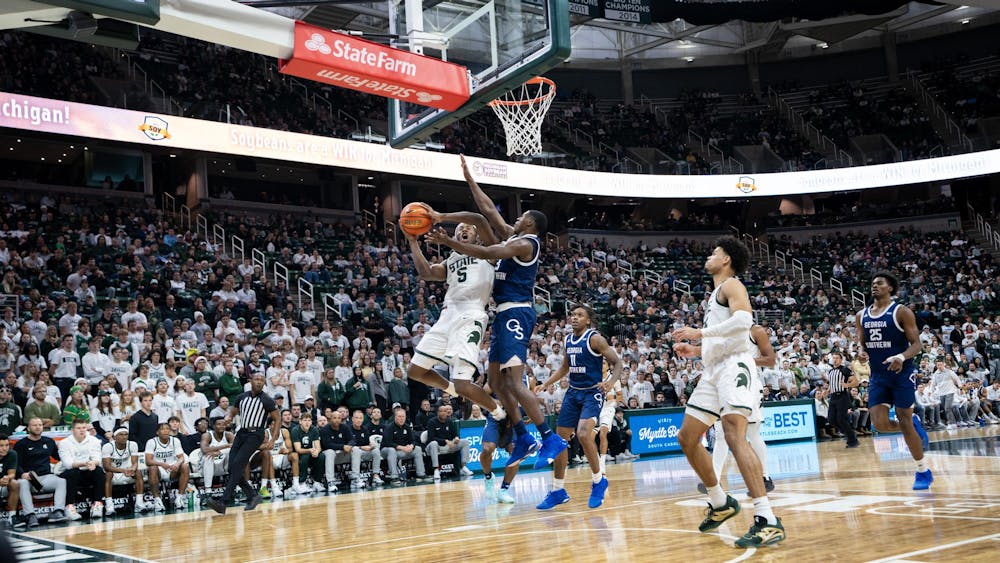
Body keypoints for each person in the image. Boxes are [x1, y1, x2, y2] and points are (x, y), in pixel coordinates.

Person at [425, 155, 566, 469]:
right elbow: (486, 212)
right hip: (501, 314)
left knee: (514, 383)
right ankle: (522, 435)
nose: (512, 220)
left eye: (519, 217)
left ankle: (548, 436)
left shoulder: (525, 243)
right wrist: (469, 178)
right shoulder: (515, 235)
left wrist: (450, 241)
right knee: (496, 382)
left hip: (516, 312)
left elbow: (489, 251)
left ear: (528, 222)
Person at [672, 236, 785, 548]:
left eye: (714, 251)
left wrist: (701, 332)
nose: (710, 255)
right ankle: (720, 502)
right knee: (687, 437)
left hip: (735, 367)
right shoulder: (714, 295)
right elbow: (726, 337)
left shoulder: (731, 285)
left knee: (735, 435)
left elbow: (744, 321)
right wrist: (695, 349)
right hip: (714, 369)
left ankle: (767, 520)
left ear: (726, 260)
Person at [404, 219, 506, 421]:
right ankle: (454, 391)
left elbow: (482, 221)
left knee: (464, 383)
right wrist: (413, 241)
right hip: (447, 316)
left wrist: (448, 237)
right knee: (415, 371)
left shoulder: (488, 254)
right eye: (460, 228)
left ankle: (499, 414)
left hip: (471, 315)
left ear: (478, 237)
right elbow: (426, 273)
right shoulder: (450, 260)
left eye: (469, 227)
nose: (464, 229)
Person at [536, 305, 622, 510]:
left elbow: (617, 363)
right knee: (559, 441)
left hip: (592, 393)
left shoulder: (595, 339)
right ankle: (557, 491)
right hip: (573, 393)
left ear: (588, 320)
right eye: (572, 315)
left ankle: (598, 481)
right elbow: (565, 367)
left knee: (584, 435)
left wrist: (610, 383)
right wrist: (546, 383)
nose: (574, 318)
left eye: (579, 315)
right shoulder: (567, 340)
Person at [858, 271, 932, 490]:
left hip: (902, 373)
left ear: (890, 288)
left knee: (904, 418)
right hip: (878, 375)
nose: (874, 286)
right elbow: (862, 344)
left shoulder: (901, 312)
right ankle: (913, 426)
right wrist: (861, 353)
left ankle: (922, 471)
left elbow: (917, 345)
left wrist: (901, 357)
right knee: (879, 424)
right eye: (872, 283)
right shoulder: (861, 315)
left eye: (879, 283)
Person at [697, 324, 777, 493]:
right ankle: (714, 480)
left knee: (753, 433)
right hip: (724, 385)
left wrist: (743, 361)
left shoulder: (755, 331)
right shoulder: (721, 333)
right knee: (721, 435)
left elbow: (770, 360)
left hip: (747, 385)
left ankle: (765, 477)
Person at [206, 372, 280, 515]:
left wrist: (273, 439)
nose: (259, 382)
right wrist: (228, 417)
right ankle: (253, 496)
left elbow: (278, 419)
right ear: (250, 381)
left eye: (261, 380)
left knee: (239, 464)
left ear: (264, 383)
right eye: (256, 379)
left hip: (256, 434)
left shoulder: (267, 400)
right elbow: (232, 413)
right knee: (232, 467)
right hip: (241, 433)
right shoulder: (241, 397)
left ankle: (223, 502)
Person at [14, 418, 68, 527]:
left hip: (46, 477)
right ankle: (30, 515)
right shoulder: (21, 444)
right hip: (29, 479)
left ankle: (58, 512)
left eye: (40, 425)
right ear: (28, 428)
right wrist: (22, 474)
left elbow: (59, 457)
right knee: (22, 483)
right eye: (34, 425)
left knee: (61, 481)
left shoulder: (49, 441)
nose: (38, 427)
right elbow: (15, 464)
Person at [58, 419, 106, 519]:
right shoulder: (64, 443)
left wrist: (94, 463)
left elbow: (98, 459)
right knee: (73, 472)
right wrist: (85, 463)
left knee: (99, 471)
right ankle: (69, 507)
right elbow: (68, 464)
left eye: (84, 428)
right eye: (78, 428)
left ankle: (97, 504)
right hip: (69, 473)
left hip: (88, 471)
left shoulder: (94, 440)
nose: (82, 430)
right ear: (72, 430)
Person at [145, 422, 191, 512]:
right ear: (157, 432)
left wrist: (177, 464)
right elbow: (148, 461)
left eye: (167, 429)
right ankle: (157, 500)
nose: (166, 431)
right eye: (162, 429)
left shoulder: (175, 441)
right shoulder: (151, 442)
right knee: (152, 468)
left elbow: (181, 457)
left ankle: (179, 497)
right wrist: (162, 464)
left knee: (184, 466)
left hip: (172, 469)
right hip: (159, 469)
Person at [102, 427, 148, 515]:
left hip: (127, 472)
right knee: (108, 474)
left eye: (126, 434)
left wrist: (132, 469)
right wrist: (123, 470)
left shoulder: (133, 444)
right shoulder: (108, 447)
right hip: (114, 473)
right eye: (121, 435)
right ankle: (109, 506)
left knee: (138, 472)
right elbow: (107, 466)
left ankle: (139, 503)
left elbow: (135, 463)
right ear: (115, 437)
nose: (124, 437)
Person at [425, 404, 474, 481]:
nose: (444, 413)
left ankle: (463, 467)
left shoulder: (449, 421)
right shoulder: (431, 422)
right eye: (441, 411)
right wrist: (445, 441)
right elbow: (431, 438)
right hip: (435, 447)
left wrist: (456, 438)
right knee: (433, 443)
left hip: (448, 446)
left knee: (465, 442)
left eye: (445, 411)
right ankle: (436, 470)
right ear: (438, 412)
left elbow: (455, 434)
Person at [383, 407, 429, 482]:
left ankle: (421, 474)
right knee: (391, 450)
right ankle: (394, 477)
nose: (401, 419)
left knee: (417, 449)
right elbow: (388, 443)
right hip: (386, 451)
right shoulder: (389, 427)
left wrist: (411, 446)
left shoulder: (407, 427)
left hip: (402, 451)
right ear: (395, 417)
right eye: (399, 416)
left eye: (403, 416)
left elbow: (413, 440)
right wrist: (402, 448)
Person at [826, 351, 860, 448]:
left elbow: (856, 382)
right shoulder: (830, 371)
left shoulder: (844, 370)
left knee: (841, 419)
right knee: (831, 419)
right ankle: (850, 434)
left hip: (842, 396)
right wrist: (827, 391)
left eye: (837, 358)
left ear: (841, 360)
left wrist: (847, 385)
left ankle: (852, 440)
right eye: (834, 358)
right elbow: (832, 383)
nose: (835, 359)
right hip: (833, 397)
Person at [348, 410, 384, 488]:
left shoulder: (364, 429)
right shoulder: (348, 429)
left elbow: (367, 443)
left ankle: (375, 475)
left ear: (363, 419)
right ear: (352, 419)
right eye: (356, 418)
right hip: (350, 453)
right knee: (356, 449)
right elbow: (349, 444)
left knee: (376, 450)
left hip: (363, 452)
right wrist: (361, 447)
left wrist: (371, 446)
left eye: (360, 418)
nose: (358, 420)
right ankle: (355, 479)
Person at [290, 412, 325, 494]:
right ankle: (301, 483)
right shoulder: (295, 430)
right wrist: (310, 450)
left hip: (310, 452)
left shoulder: (314, 429)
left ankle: (317, 482)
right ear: (300, 421)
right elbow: (298, 449)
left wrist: (316, 451)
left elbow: (318, 447)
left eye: (309, 420)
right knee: (305, 456)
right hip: (299, 455)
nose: (307, 422)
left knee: (321, 456)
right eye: (305, 420)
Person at [319, 410, 353, 492]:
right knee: (330, 451)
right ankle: (330, 481)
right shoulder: (324, 430)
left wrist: (349, 445)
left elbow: (352, 439)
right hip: (328, 454)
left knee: (355, 449)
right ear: (330, 419)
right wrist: (343, 446)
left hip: (341, 453)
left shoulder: (345, 427)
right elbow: (327, 445)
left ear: (341, 419)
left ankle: (355, 478)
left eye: (339, 418)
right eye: (334, 418)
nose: (337, 420)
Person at [200, 417, 233, 489]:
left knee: (234, 454)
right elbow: (204, 450)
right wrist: (226, 446)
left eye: (224, 424)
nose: (222, 426)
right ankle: (207, 489)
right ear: (213, 426)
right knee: (208, 457)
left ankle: (236, 487)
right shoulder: (207, 435)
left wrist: (220, 452)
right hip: (209, 466)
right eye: (219, 424)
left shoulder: (229, 435)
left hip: (224, 465)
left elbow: (234, 448)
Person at [0, 434, 20, 528]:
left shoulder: (12, 454)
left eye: (7, 445)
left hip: (3, 483)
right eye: (1, 446)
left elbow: (12, 473)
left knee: (14, 483)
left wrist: (7, 478)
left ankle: (12, 516)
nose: (4, 448)